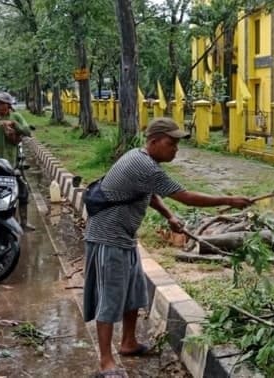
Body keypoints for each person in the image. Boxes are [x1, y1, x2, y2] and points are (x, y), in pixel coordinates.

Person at [83, 117, 252, 377]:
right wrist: (228, 199)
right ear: (153, 141)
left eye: (177, 144)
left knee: (132, 292)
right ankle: (106, 362)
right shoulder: (143, 165)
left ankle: (128, 343)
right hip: (108, 238)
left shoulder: (142, 160)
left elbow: (148, 194)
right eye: (170, 143)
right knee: (110, 298)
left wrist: (169, 216)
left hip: (125, 237)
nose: (175, 149)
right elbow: (185, 197)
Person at [0, 91, 35, 230]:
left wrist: (13, 124)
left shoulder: (16, 116)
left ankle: (24, 222)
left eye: (2, 103)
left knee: (22, 191)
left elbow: (27, 132)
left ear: (9, 105)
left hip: (11, 164)